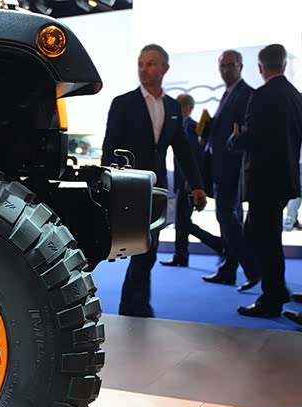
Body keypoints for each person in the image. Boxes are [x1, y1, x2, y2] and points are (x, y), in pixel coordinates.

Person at [102, 44, 207, 317]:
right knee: (141, 249)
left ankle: (135, 306)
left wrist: (197, 185)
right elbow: (109, 148)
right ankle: (135, 307)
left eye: (149, 64)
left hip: (157, 189)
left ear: (164, 68)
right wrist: (106, 187)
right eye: (140, 64)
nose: (143, 69)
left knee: (148, 248)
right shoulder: (123, 103)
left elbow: (182, 150)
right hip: (129, 188)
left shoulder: (172, 107)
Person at [228, 44, 302, 318]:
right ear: (284, 64)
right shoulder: (296, 96)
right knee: (266, 237)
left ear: (260, 66)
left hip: (263, 181)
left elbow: (251, 137)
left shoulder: (261, 96)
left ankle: (271, 299)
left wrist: (235, 139)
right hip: (284, 180)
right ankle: (277, 289)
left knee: (264, 240)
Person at [199, 50, 260, 289]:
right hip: (221, 167)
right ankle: (228, 270)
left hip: (234, 169)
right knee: (229, 219)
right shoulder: (228, 94)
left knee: (226, 216)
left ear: (241, 67)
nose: (226, 70)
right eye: (223, 66)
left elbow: (246, 133)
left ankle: (252, 267)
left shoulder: (247, 94)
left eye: (231, 65)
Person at [161, 93, 223, 266]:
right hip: (184, 182)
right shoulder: (184, 126)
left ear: (186, 107)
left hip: (188, 184)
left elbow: (195, 157)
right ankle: (181, 256)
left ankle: (217, 244)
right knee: (182, 222)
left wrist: (193, 182)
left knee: (183, 222)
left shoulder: (191, 128)